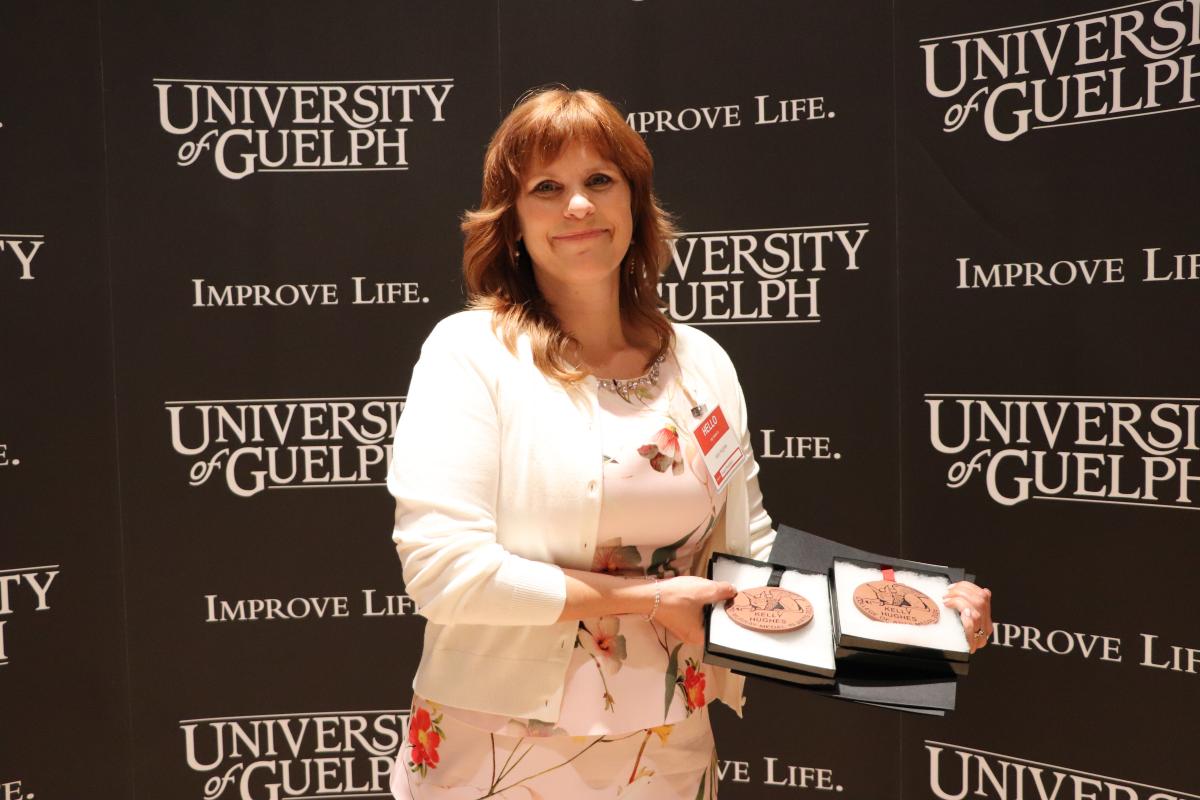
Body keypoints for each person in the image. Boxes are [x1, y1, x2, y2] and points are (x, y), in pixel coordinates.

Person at [386, 88, 993, 799]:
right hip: (497, 751)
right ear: (513, 221)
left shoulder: (700, 361)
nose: (577, 206)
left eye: (599, 181)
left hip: (673, 746)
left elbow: (751, 549)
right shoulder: (471, 353)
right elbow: (444, 574)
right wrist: (647, 597)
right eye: (546, 188)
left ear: (634, 204)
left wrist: (917, 615)